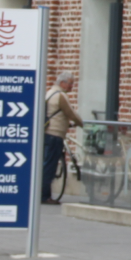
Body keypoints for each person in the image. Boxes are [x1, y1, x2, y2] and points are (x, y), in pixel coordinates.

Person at [41, 73, 83, 205]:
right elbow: (70, 112)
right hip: (55, 134)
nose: (72, 86)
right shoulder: (60, 95)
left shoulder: (49, 93)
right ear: (62, 83)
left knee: (45, 164)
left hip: (46, 133)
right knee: (50, 166)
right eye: (70, 83)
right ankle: (44, 196)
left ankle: (40, 193)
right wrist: (82, 123)